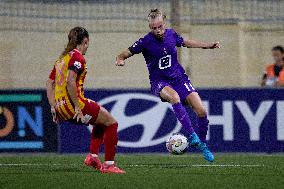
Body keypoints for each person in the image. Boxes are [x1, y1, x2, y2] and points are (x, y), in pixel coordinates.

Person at [116, 9, 220, 162]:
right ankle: (192, 136)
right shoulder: (145, 41)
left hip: (179, 79)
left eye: (160, 26)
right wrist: (120, 59)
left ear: (164, 23)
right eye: (153, 28)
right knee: (174, 97)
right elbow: (125, 53)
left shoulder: (171, 34)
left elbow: (185, 42)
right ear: (150, 27)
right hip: (160, 82)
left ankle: (203, 145)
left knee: (202, 111)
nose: (157, 30)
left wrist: (207, 45)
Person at [46, 27, 125, 174]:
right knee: (112, 123)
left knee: (102, 120)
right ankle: (109, 165)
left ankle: (93, 157)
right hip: (74, 106)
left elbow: (49, 83)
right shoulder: (77, 57)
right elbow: (70, 81)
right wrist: (77, 106)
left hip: (61, 108)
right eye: (88, 43)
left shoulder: (61, 60)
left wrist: (53, 107)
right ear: (85, 41)